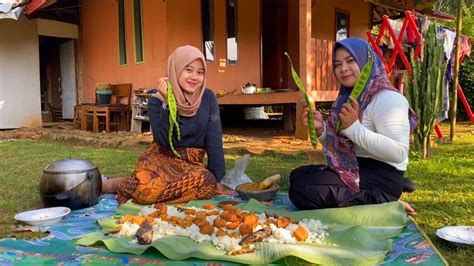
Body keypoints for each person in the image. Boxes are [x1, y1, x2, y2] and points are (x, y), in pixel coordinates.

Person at [288, 37, 417, 216]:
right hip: (357, 166)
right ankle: (375, 195)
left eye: (350, 61)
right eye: (337, 64)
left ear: (365, 62)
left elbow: (398, 153)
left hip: (382, 174)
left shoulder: (388, 99)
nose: (343, 69)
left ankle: (384, 201)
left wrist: (354, 128)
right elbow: (344, 144)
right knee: (298, 176)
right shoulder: (349, 97)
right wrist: (321, 129)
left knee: (301, 191)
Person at [103, 45, 234, 204]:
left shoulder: (207, 98)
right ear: (176, 70)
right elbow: (164, 140)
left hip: (190, 164)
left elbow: (214, 141)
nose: (194, 77)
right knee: (147, 191)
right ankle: (120, 184)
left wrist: (218, 180)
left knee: (207, 181)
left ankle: (131, 184)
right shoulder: (156, 102)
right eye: (188, 70)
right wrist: (168, 104)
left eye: (200, 72)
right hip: (161, 158)